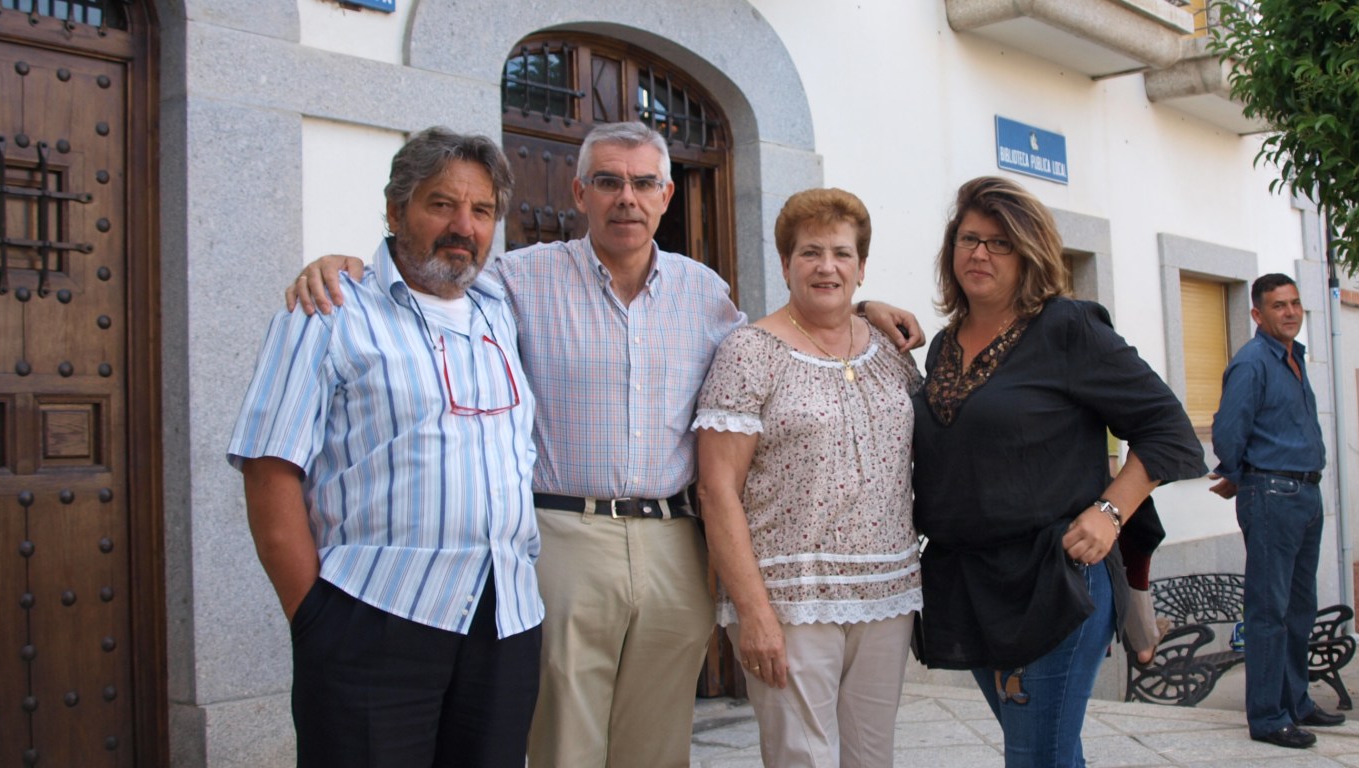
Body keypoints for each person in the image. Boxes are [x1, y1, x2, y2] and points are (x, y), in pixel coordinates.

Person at [284, 122, 924, 767]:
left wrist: (861, 309)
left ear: (666, 195)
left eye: (644, 183)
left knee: (657, 746)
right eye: (609, 182)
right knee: (566, 743)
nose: (627, 198)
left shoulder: (703, 292)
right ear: (579, 192)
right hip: (565, 538)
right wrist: (346, 264)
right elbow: (436, 276)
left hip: (673, 543)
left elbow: (781, 339)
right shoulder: (516, 279)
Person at [229, 127, 544, 766]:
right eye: (441, 204)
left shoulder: (502, 309)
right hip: (374, 614)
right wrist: (313, 618)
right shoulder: (327, 310)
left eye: (482, 211)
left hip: (504, 619)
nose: (463, 226)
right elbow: (269, 467)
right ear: (396, 211)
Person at [910, 176, 1205, 767]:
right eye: (969, 239)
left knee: (1035, 757)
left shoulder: (1067, 328)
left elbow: (1169, 428)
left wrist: (1111, 511)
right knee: (1050, 753)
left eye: (1000, 243)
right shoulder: (943, 346)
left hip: (1052, 581)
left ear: (1029, 254)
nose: (980, 254)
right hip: (969, 583)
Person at [693, 188, 923, 767]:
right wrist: (754, 613)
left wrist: (868, 309)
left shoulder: (891, 350)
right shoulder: (749, 353)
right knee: (804, 759)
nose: (827, 266)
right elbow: (716, 490)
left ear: (862, 267)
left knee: (872, 758)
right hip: (790, 602)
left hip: (887, 595)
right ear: (785, 263)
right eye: (810, 252)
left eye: (842, 254)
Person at [1206, 273, 1347, 749]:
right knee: (1269, 611)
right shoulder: (1252, 362)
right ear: (1257, 314)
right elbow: (1228, 430)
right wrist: (1243, 474)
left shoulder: (1293, 357)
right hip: (1273, 495)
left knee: (1299, 609)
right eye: (1278, 306)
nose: (1290, 312)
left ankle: (1296, 701)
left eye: (1294, 303)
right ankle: (1268, 717)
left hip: (1305, 494)